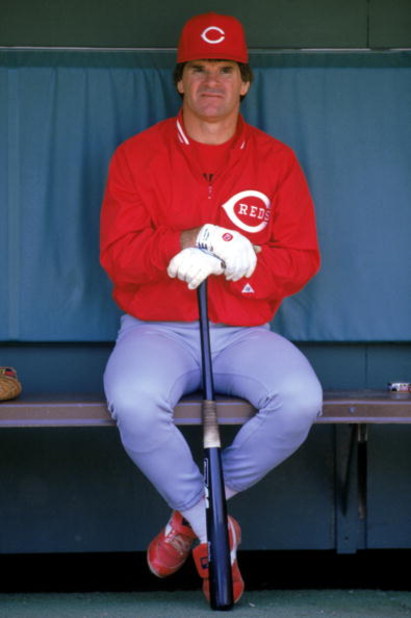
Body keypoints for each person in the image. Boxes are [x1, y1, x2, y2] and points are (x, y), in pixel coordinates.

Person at [100, 12, 322, 604]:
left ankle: (187, 517)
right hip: (155, 327)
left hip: (244, 329)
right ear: (179, 80)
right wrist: (185, 241)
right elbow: (119, 255)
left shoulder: (275, 161)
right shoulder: (136, 156)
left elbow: (301, 258)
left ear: (245, 81)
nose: (212, 81)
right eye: (198, 69)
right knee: (133, 403)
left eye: (226, 69)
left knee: (300, 400)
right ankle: (211, 527)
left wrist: (243, 262)